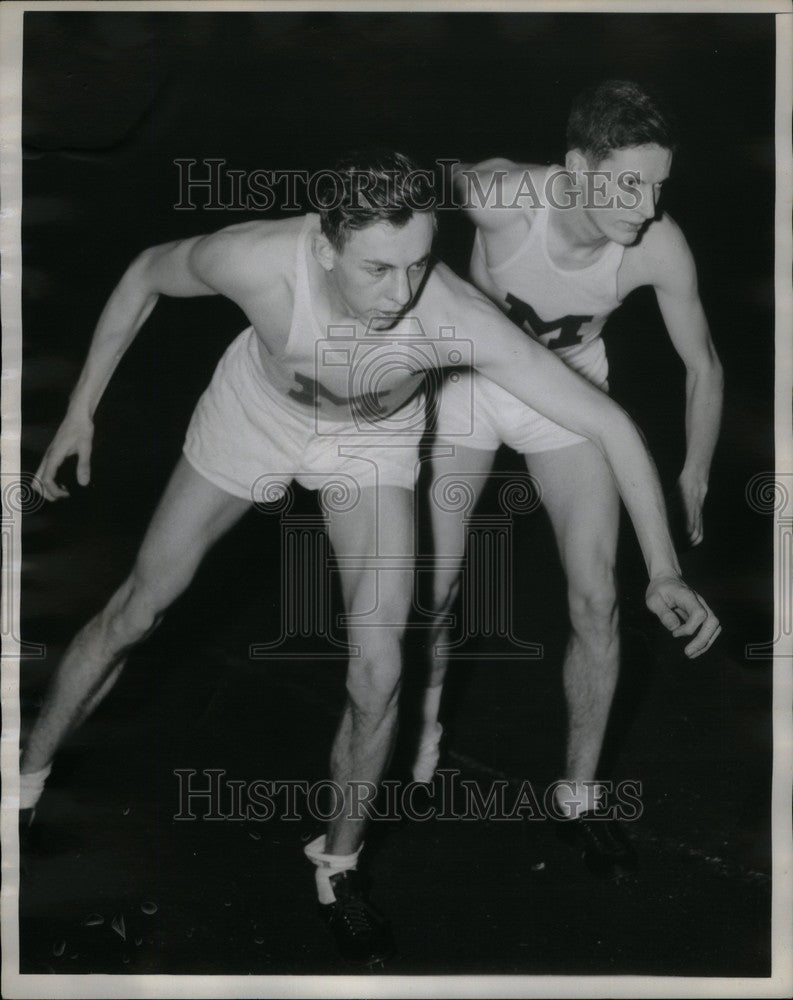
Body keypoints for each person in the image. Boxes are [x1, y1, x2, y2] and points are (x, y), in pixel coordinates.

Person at [20, 150, 719, 965]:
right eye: (377, 269)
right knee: (140, 605)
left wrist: (662, 566)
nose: (400, 295)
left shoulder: (452, 314)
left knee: (379, 670)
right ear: (324, 245)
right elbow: (143, 274)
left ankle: (338, 866)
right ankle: (24, 782)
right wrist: (79, 412)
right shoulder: (255, 260)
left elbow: (606, 423)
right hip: (256, 415)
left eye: (419, 264)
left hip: (371, 447)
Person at [413, 82, 724, 876]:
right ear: (574, 169)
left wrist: (692, 469)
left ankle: (578, 798)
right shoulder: (503, 197)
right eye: (626, 184)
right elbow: (415, 182)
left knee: (595, 599)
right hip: (470, 386)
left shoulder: (658, 245)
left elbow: (702, 365)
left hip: (573, 398)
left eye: (656, 186)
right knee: (437, 589)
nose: (645, 207)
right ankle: (420, 734)